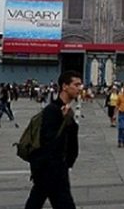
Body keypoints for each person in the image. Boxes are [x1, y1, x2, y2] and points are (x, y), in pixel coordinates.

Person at [25, 70, 82, 209]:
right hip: (51, 170)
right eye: (76, 84)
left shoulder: (64, 110)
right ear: (64, 86)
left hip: (54, 169)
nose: (80, 88)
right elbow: (49, 141)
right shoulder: (52, 111)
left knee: (36, 201)